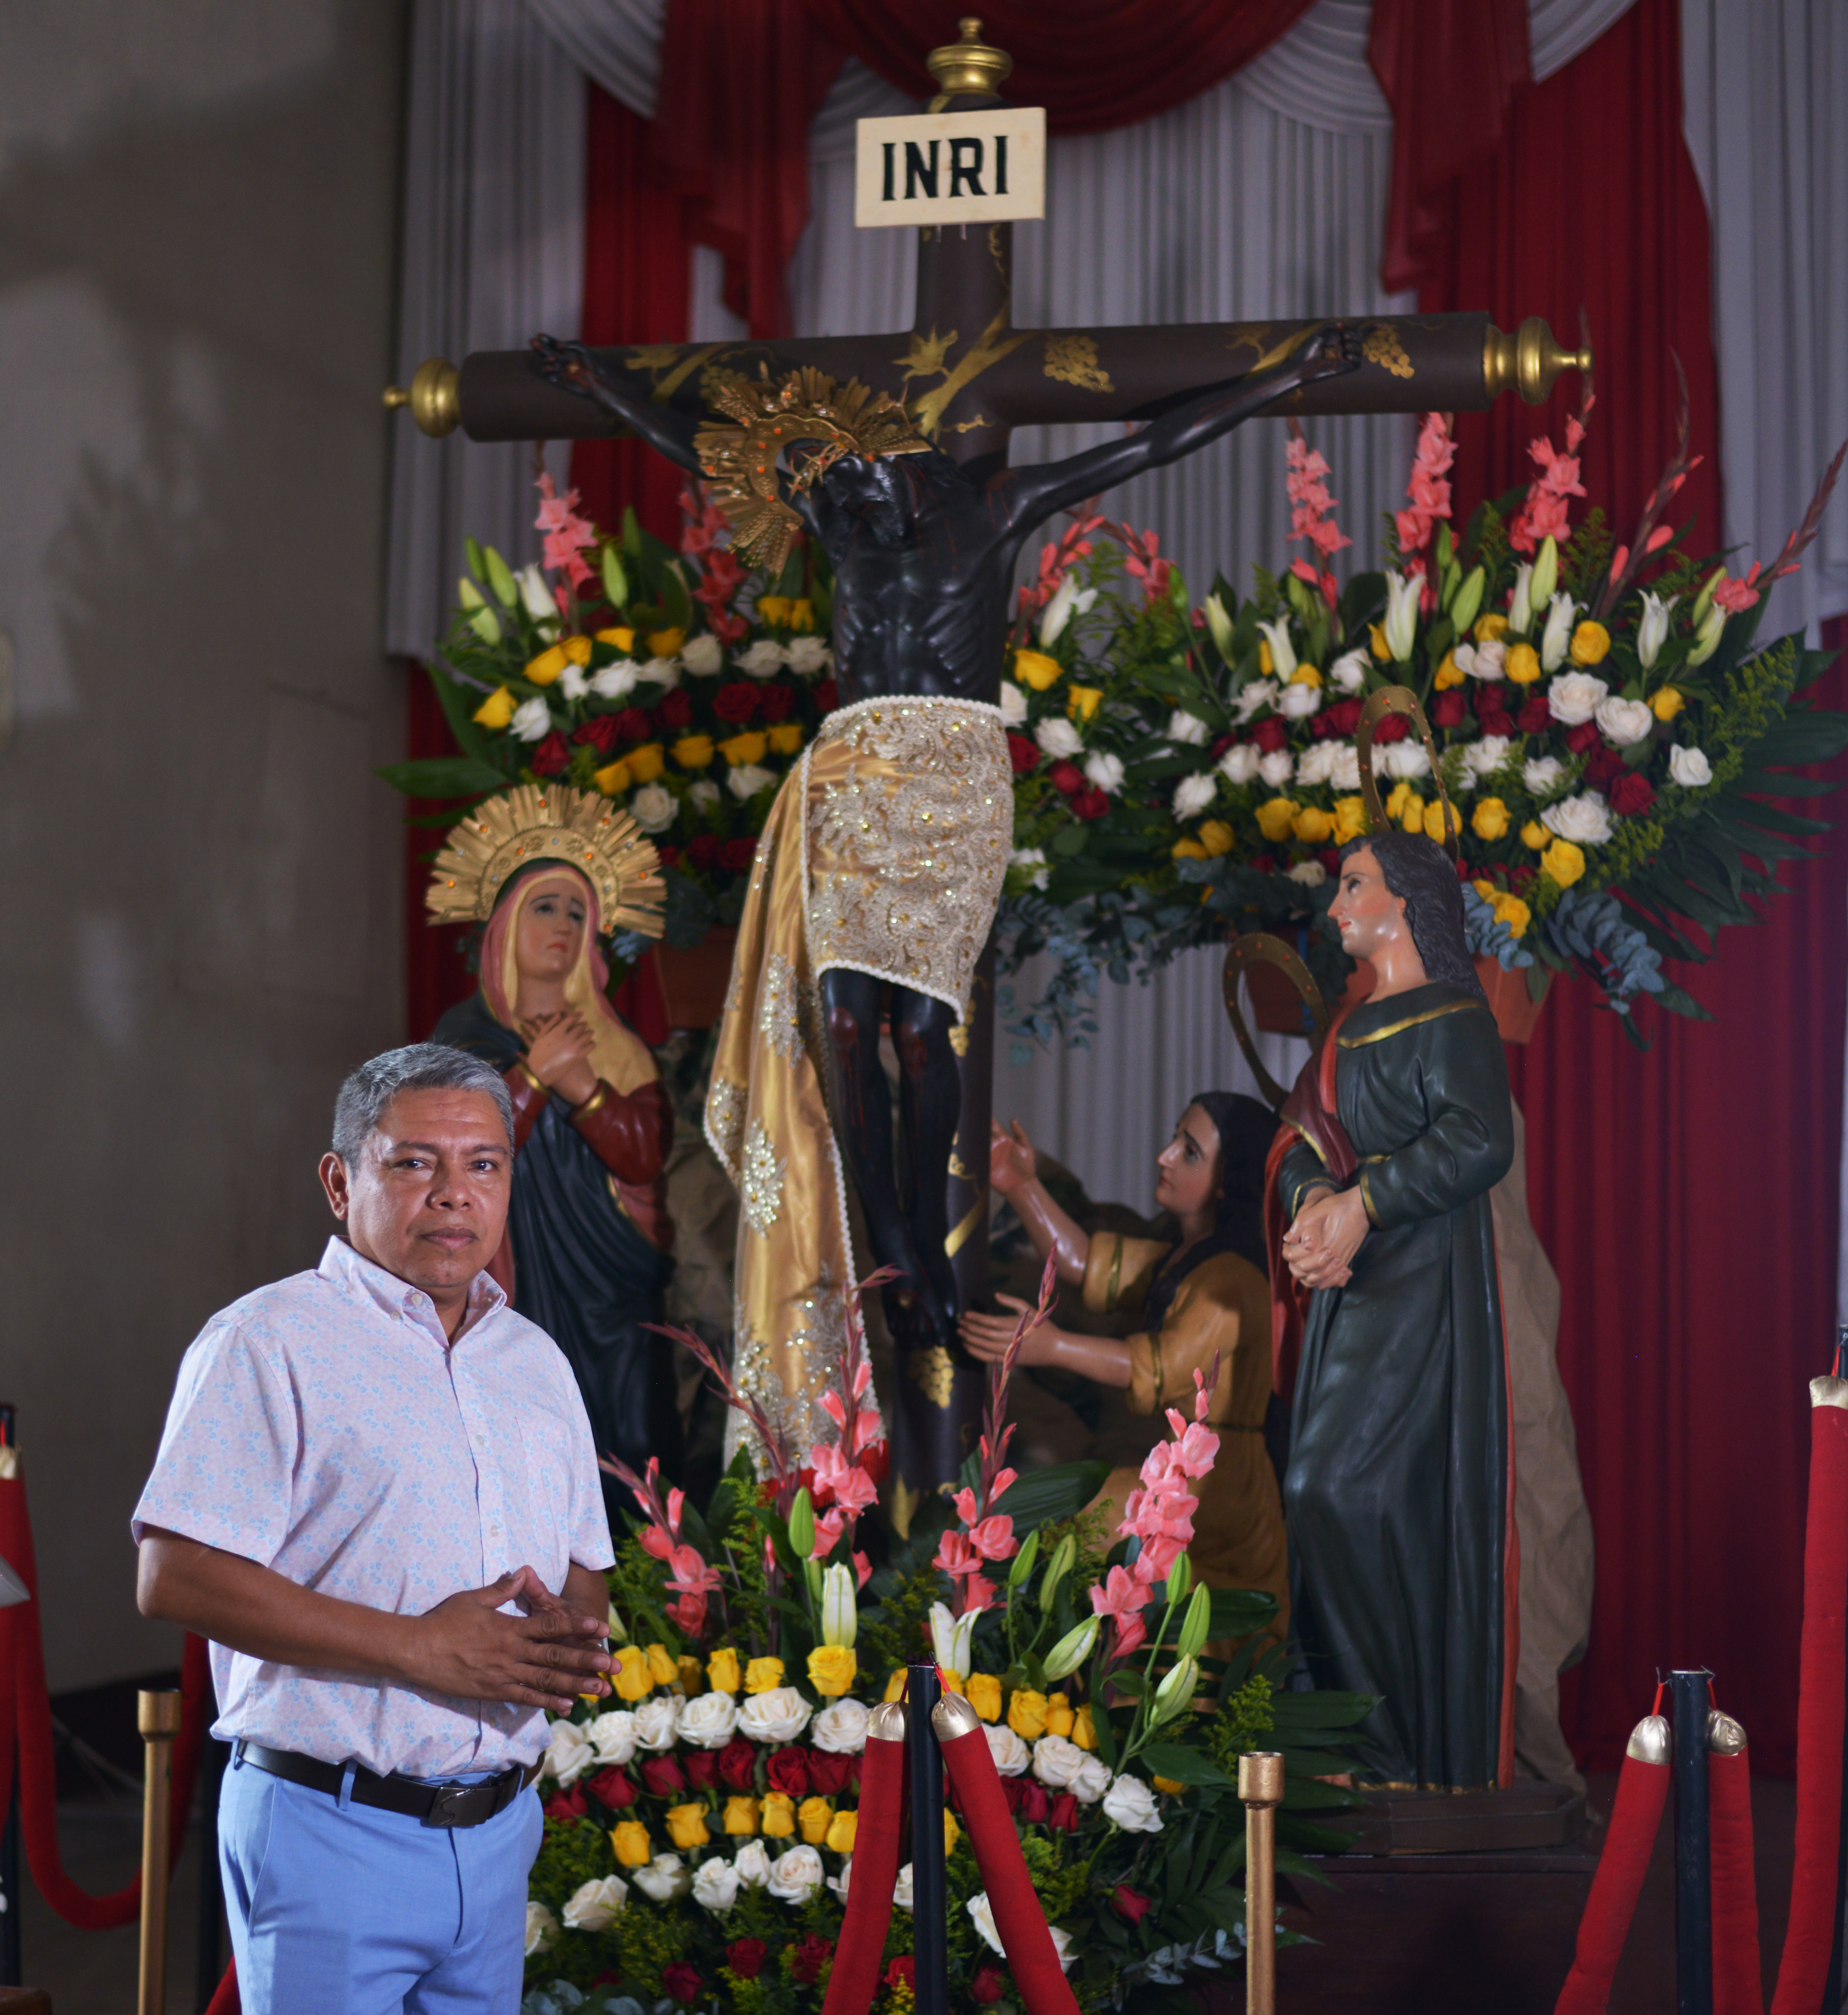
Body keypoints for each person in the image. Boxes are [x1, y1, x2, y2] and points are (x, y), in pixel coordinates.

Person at [534, 327, 1368, 1475]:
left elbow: (1152, 443)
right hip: (849, 773)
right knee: (840, 1025)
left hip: (952, 776)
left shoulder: (995, 503)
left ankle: (919, 1229)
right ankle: (891, 1239)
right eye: (844, 496)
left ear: (907, 465)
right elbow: (701, 445)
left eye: (869, 488)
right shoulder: (845, 513)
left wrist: (1284, 378)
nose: (857, 508)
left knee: (921, 1034)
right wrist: (600, 383)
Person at [131, 1043, 620, 2014]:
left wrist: (564, 1644)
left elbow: (581, 1569)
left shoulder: (534, 1360)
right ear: (338, 1179)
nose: (453, 1194)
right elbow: (174, 1576)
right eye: (413, 1162)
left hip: (493, 1828)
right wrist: (418, 1648)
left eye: (482, 1163)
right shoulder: (267, 1341)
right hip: (330, 1822)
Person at [1272, 831, 1517, 1793]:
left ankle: (1392, 1740)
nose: (1336, 906)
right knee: (1317, 1491)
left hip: (1420, 1286)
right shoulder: (1349, 1026)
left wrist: (1361, 1204)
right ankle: (1346, 1737)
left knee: (1352, 1495)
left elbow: (1478, 1137)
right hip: (1349, 1285)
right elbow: (1297, 1133)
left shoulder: (1454, 1015)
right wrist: (1307, 1209)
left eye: (1353, 885)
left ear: (1407, 901)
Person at [424, 785, 676, 1505]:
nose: (562, 925)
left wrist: (585, 1089)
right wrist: (535, 1076)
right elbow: (452, 1141)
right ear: (506, 925)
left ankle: (643, 1600)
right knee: (522, 1440)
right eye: (545, 907)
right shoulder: (463, 1033)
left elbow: (644, 1158)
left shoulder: (617, 1045)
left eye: (578, 912)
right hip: (512, 1274)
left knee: (628, 1443)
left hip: (613, 1283)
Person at [962, 1095, 1289, 1627]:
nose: (1163, 1156)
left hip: (1218, 1482)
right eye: (1174, 1140)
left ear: (1231, 1180)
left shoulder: (1230, 1279)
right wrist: (1020, 1184)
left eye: (1188, 1152)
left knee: (1085, 1533)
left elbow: (1153, 1367)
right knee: (1077, 1538)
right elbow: (1087, 1263)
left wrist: (1050, 1346)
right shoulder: (1190, 1257)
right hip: (1186, 1471)